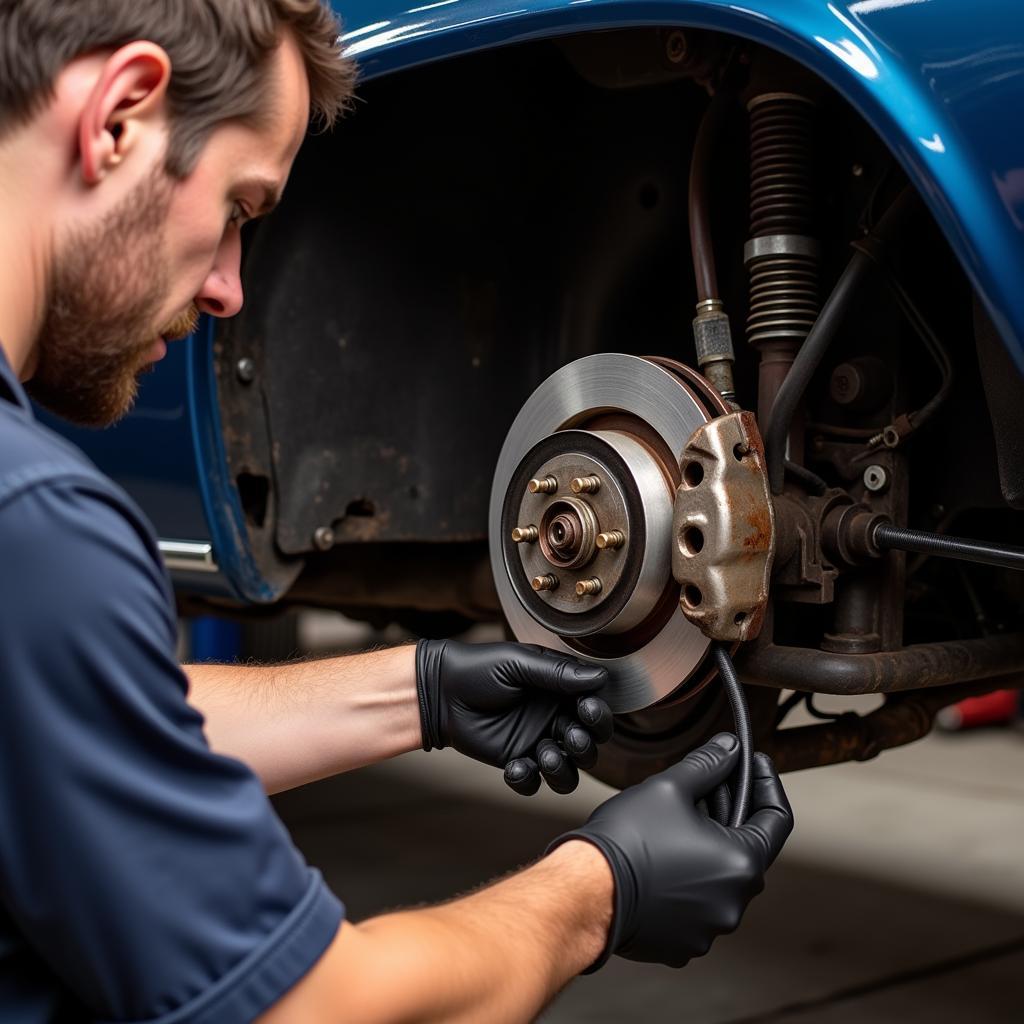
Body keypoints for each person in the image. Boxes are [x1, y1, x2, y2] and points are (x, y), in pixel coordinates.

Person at [0, 2, 794, 1021]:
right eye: (242, 207)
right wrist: (601, 889)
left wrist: (418, 691)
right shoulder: (39, 527)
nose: (232, 289)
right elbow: (315, 1010)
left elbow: (74, 718)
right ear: (119, 116)